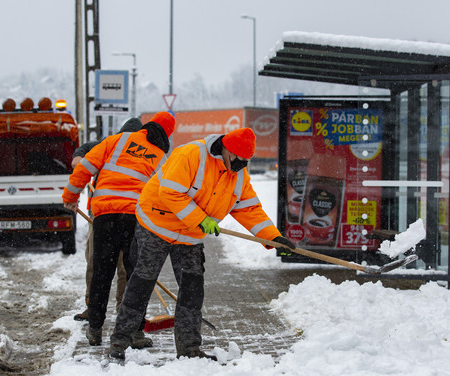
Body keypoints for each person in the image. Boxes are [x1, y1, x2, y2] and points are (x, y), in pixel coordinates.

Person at [108, 127, 295, 361]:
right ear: (226, 149)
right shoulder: (190, 155)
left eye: (245, 161)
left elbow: (249, 208)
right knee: (141, 283)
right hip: (156, 225)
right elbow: (171, 192)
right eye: (237, 159)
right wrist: (201, 219)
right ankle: (119, 342)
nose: (239, 165)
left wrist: (273, 238)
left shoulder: (239, 175)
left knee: (192, 290)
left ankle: (189, 349)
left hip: (190, 236)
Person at [63, 112, 176, 348]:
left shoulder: (116, 141)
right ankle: (134, 331)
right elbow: (166, 193)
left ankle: (95, 329)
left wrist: (70, 197)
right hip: (135, 219)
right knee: (136, 275)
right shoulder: (161, 155)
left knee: (102, 273)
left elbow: (84, 167)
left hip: (106, 216)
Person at [72, 118, 143, 322]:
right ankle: (91, 306)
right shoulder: (107, 145)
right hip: (102, 215)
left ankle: (123, 308)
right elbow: (81, 153)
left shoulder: (144, 153)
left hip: (130, 215)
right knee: (96, 261)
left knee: (124, 266)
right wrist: (79, 162)